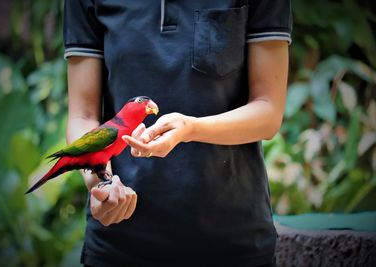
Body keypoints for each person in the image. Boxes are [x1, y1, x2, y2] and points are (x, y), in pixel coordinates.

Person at [64, 0, 291, 266]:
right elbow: (83, 116)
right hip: (119, 247)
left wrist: (191, 129)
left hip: (233, 244)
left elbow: (268, 111)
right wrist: (102, 183)